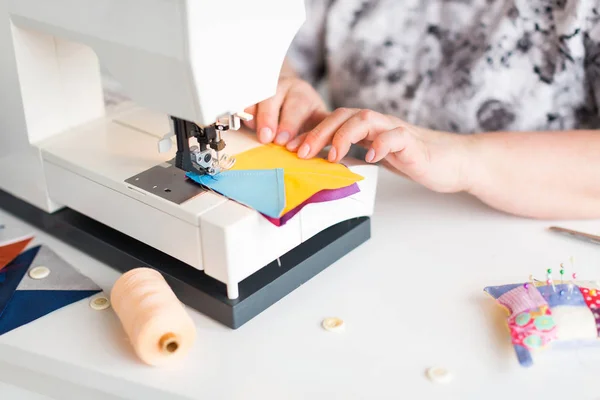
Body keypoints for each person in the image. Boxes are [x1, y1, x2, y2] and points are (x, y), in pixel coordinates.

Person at [243, 0, 600, 220]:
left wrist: (462, 158)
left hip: (518, 237)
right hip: (371, 218)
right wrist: (281, 81)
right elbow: (268, 39)